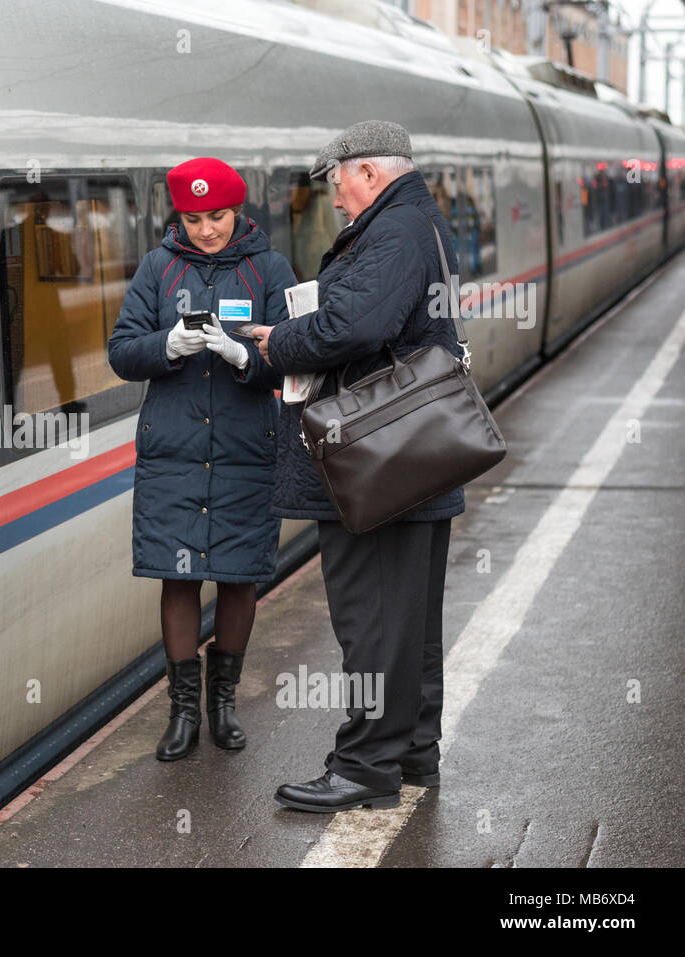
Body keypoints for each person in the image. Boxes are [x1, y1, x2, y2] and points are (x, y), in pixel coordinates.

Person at [244, 120, 465, 811]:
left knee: (371, 617)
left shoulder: (393, 232)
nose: (335, 198)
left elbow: (354, 328)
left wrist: (279, 341)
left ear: (366, 171)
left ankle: (365, 766)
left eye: (337, 181)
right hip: (410, 454)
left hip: (378, 460)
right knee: (407, 620)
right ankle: (412, 750)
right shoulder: (416, 222)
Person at [108, 157, 296, 761]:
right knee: (179, 576)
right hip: (175, 454)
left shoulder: (268, 270)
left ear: (237, 210)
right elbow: (121, 351)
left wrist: (244, 359)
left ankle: (224, 705)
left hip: (247, 451)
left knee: (241, 576)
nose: (206, 230)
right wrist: (167, 344)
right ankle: (184, 712)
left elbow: (298, 353)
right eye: (193, 218)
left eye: (216, 216)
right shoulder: (158, 269)